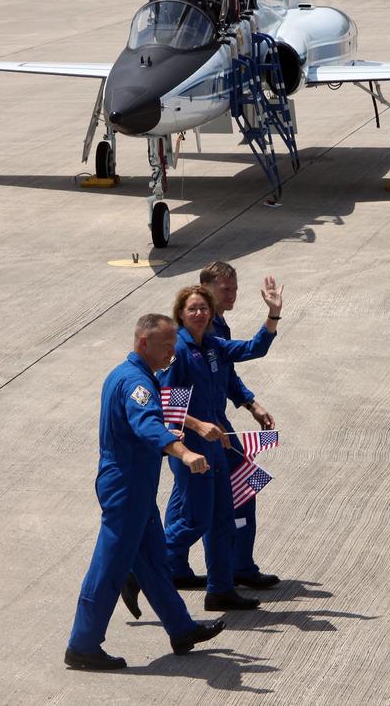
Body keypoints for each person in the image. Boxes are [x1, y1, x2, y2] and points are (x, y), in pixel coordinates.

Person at [65, 314, 225, 671]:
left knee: (153, 560)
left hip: (133, 486)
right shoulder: (136, 383)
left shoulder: (125, 375)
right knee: (109, 567)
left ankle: (181, 629)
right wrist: (184, 453)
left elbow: (151, 418)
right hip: (126, 488)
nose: (172, 353)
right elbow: (147, 423)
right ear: (143, 344)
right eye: (167, 346)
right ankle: (83, 644)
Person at [157, 277, 283, 612]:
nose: (199, 313)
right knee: (195, 519)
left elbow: (252, 349)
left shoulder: (212, 345)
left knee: (224, 518)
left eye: (203, 308)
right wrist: (199, 426)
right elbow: (168, 407)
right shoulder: (179, 353)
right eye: (192, 309)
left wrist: (272, 316)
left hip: (219, 443)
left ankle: (221, 588)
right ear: (181, 315)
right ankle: (140, 567)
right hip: (191, 448)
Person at [202, 261, 280, 589]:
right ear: (206, 289)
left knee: (189, 505)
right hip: (206, 428)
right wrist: (273, 316)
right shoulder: (201, 330)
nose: (233, 295)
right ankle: (239, 567)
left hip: (211, 424)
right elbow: (252, 350)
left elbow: (226, 372)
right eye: (225, 290)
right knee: (243, 487)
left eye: (235, 288)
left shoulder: (218, 323)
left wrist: (250, 403)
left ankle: (172, 565)